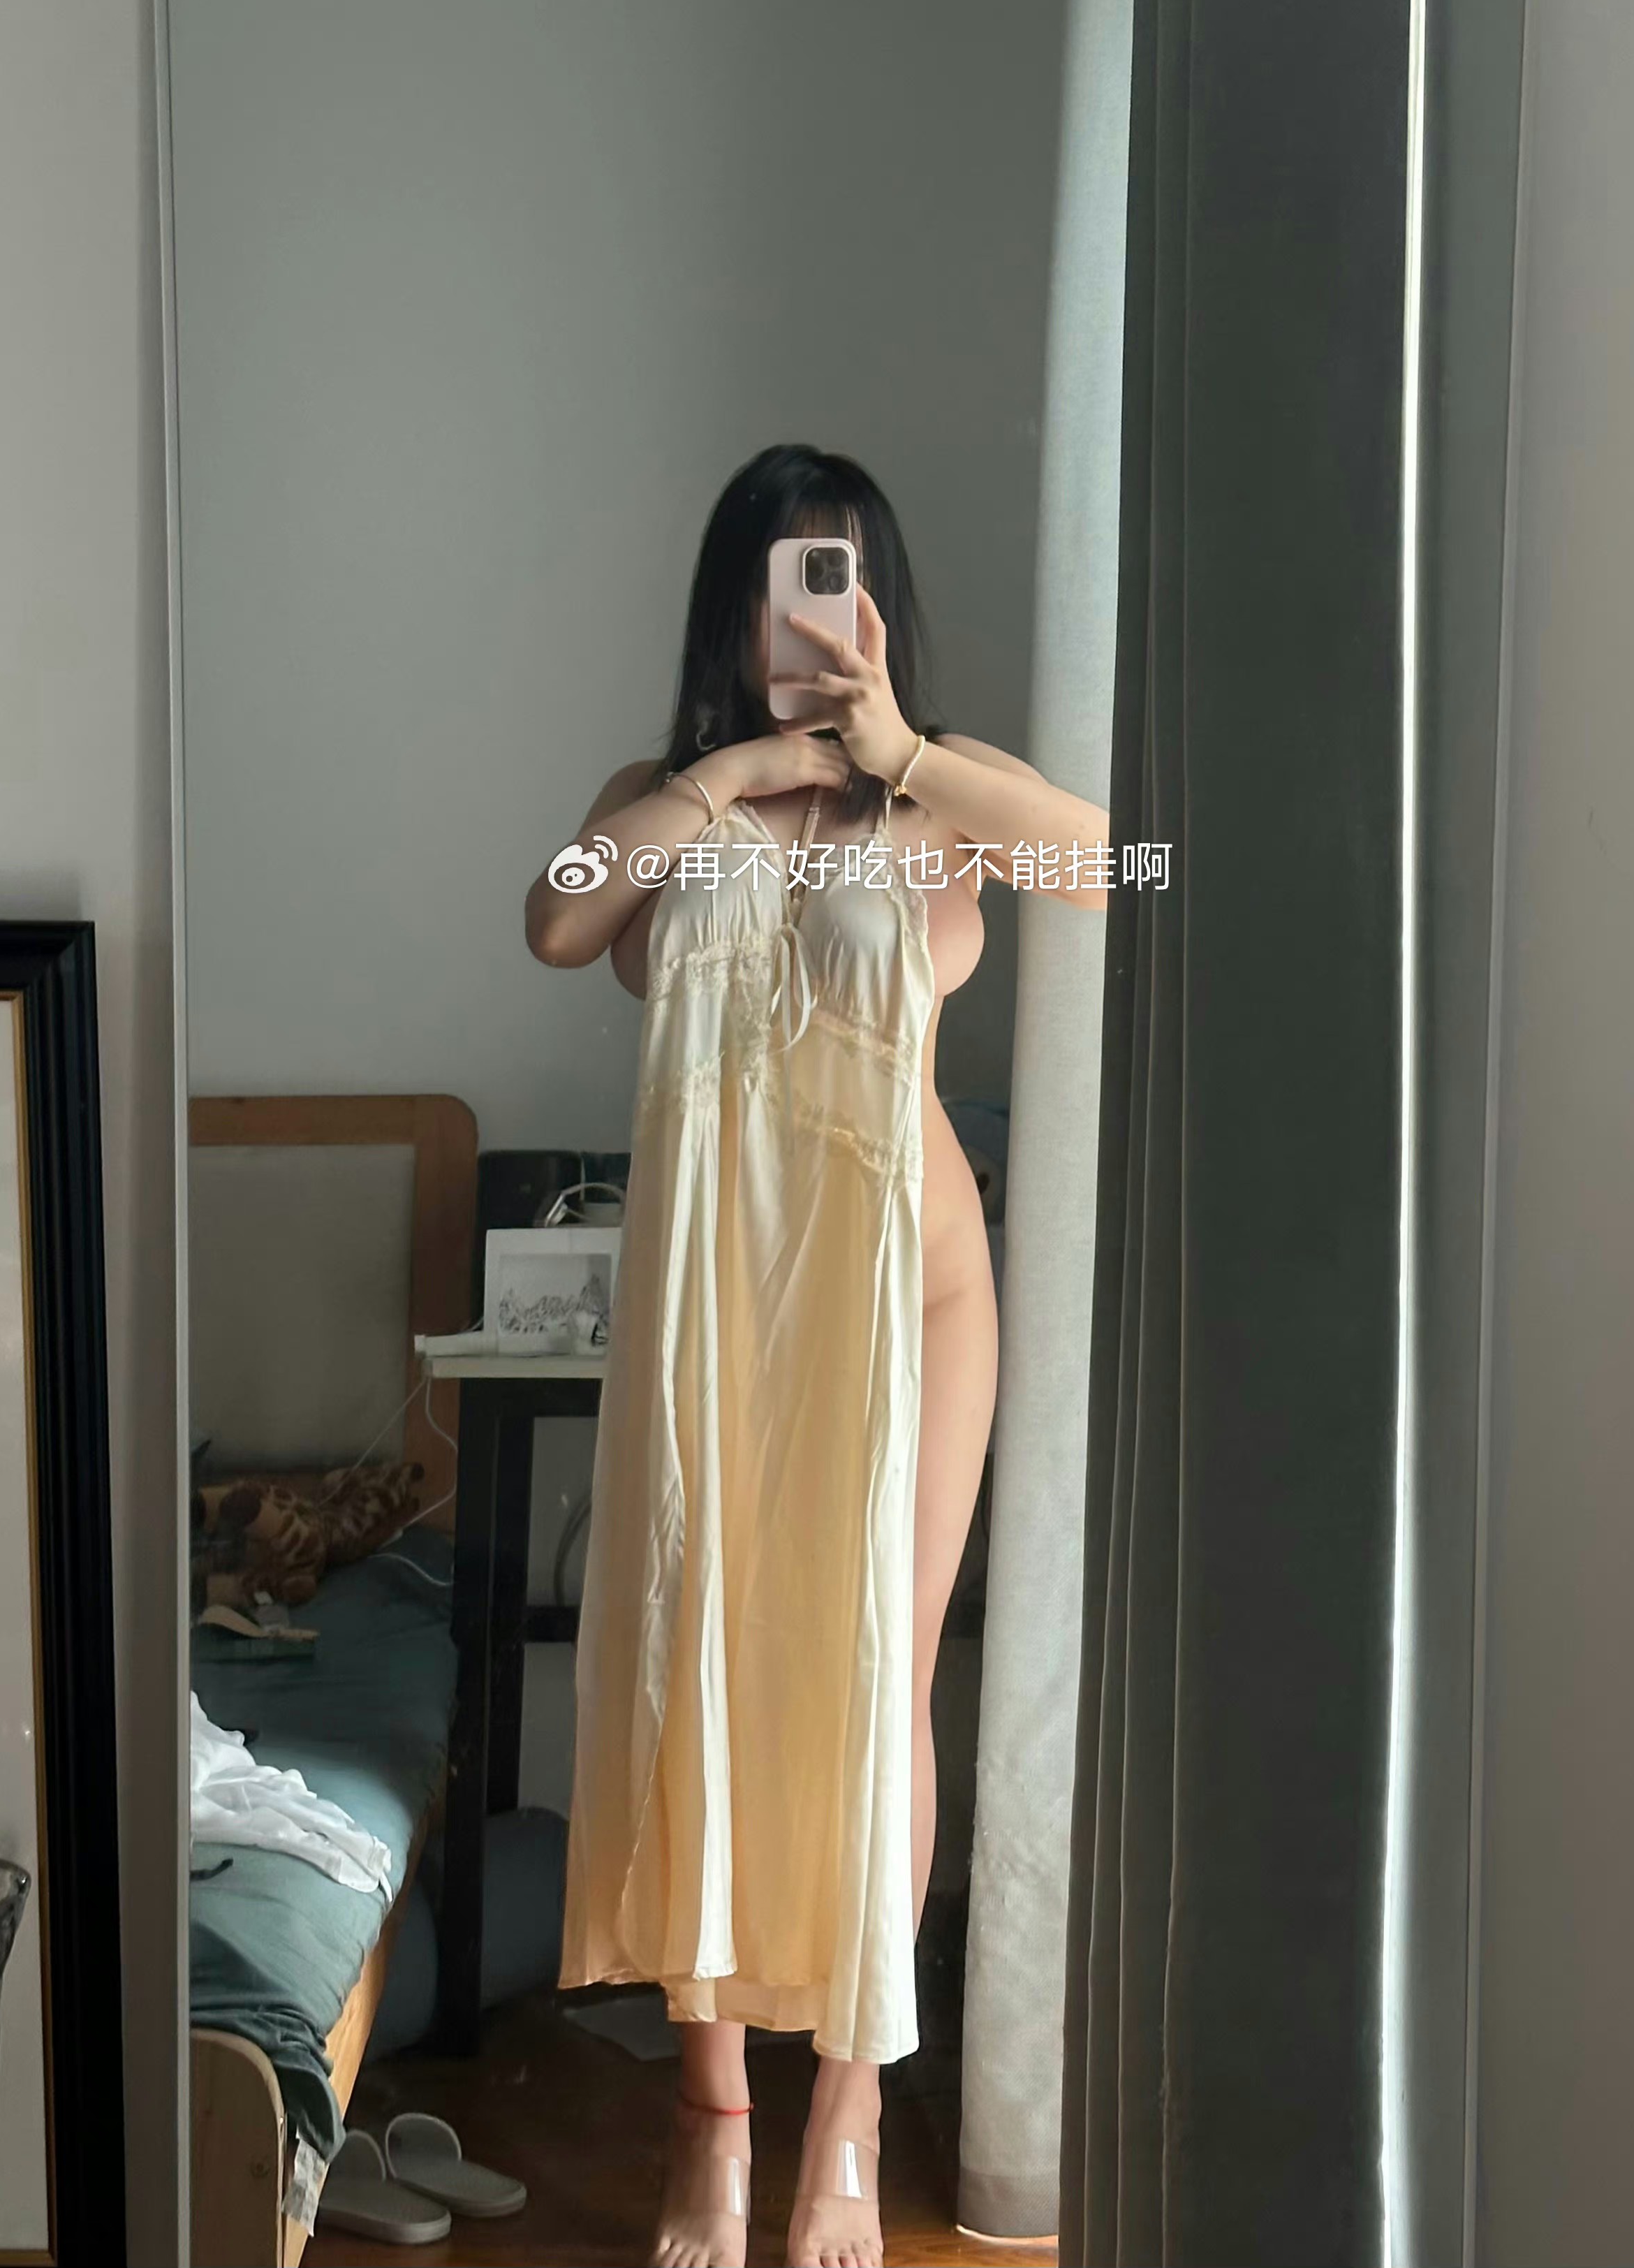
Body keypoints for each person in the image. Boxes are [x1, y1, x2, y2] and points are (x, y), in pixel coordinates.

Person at [526, 444, 1107, 2268]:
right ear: (730, 608)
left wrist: (900, 750)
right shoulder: (655, 803)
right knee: (695, 1673)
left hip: (911, 1303)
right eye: (779, 582)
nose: (810, 618)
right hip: (715, 1316)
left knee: (877, 1689)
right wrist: (729, 776)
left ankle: (845, 2120)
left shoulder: (947, 802)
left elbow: (1116, 864)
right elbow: (556, 913)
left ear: (879, 602)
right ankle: (714, 2119)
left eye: (837, 579)